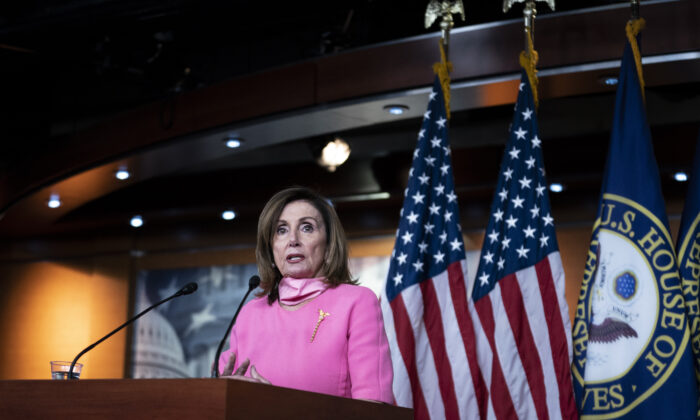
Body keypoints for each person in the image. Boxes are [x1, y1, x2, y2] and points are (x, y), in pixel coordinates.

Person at [218, 187, 394, 403]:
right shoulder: (250, 313)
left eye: (307, 227)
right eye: (281, 230)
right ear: (271, 250)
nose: (293, 239)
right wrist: (224, 391)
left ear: (329, 247)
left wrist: (275, 405)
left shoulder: (357, 302)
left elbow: (374, 408)